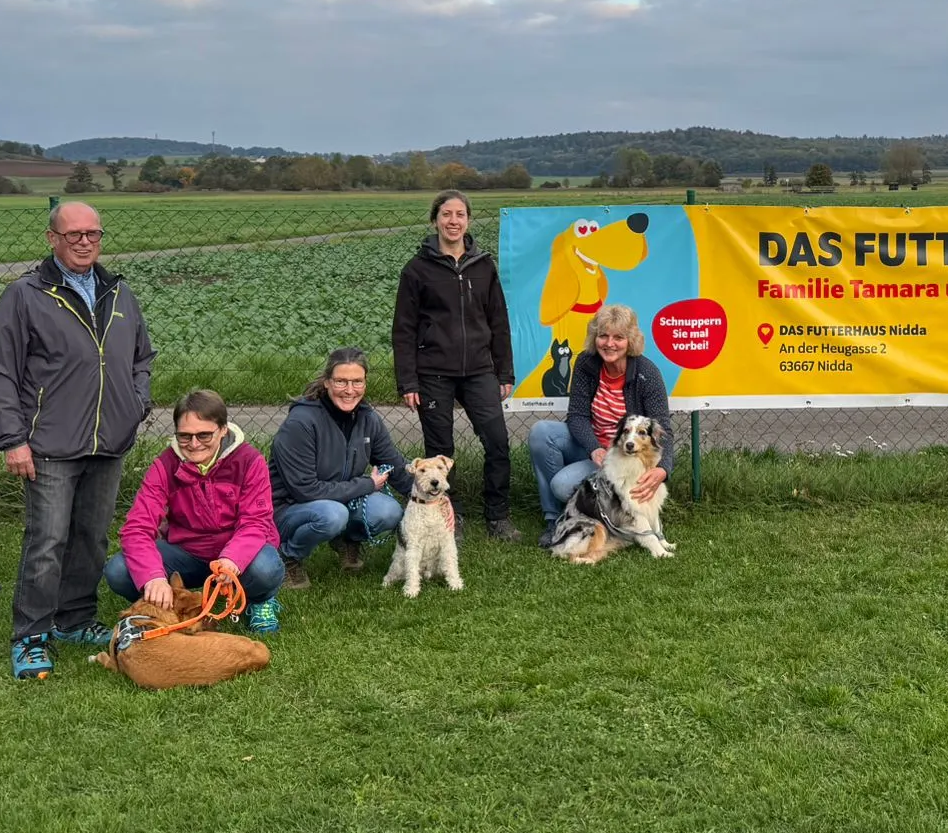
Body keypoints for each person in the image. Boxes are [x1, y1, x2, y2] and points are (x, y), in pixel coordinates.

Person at [0, 199, 155, 680]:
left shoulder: (119, 294)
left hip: (108, 443)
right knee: (48, 540)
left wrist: (137, 403)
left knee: (92, 537)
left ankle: (75, 619)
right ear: (51, 239)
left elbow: (142, 356)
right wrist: (13, 439)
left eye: (93, 234)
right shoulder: (25, 295)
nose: (84, 242)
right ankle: (31, 635)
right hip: (49, 444)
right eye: (73, 234)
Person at [392, 190, 518, 540]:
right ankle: (452, 515)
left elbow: (498, 321)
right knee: (440, 452)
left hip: (479, 370)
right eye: (446, 214)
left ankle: (498, 515)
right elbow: (403, 329)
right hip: (433, 373)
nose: (453, 221)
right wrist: (408, 381)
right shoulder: (417, 270)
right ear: (435, 220)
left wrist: (503, 371)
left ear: (468, 221)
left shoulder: (483, 266)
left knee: (497, 442)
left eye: (460, 214)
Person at [104, 389, 284, 631]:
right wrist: (153, 576)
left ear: (223, 430)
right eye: (185, 436)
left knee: (265, 568)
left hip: (238, 551)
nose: (194, 444)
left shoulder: (250, 461)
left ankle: (261, 599)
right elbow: (136, 527)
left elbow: (256, 522)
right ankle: (174, 600)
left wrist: (232, 559)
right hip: (187, 552)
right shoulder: (165, 464)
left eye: (204, 435)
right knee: (118, 570)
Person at [529, 303, 674, 548]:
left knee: (562, 486)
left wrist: (664, 470)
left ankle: (601, 515)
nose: (609, 344)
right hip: (593, 448)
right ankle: (555, 520)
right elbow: (576, 416)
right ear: (595, 337)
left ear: (630, 341)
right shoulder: (587, 364)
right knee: (541, 432)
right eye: (603, 335)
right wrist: (594, 448)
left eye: (618, 337)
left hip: (624, 457)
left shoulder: (647, 373)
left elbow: (664, 431)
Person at [268, 346, 412, 585]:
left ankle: (347, 539)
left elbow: (393, 464)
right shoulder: (301, 422)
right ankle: (288, 555)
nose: (349, 390)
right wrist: (367, 484)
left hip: (341, 499)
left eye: (357, 382)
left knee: (389, 511)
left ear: (365, 383)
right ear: (326, 382)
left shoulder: (368, 419)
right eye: (341, 382)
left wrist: (432, 496)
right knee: (333, 515)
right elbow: (306, 490)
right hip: (289, 508)